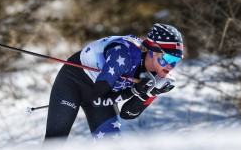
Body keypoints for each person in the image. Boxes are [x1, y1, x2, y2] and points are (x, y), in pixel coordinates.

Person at [44, 23, 184, 141]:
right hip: (73, 83)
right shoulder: (123, 54)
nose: (170, 66)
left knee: (111, 146)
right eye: (168, 59)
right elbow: (97, 100)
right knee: (55, 140)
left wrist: (150, 93)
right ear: (152, 51)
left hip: (104, 93)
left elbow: (128, 114)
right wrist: (133, 91)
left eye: (176, 61)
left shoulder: (158, 76)